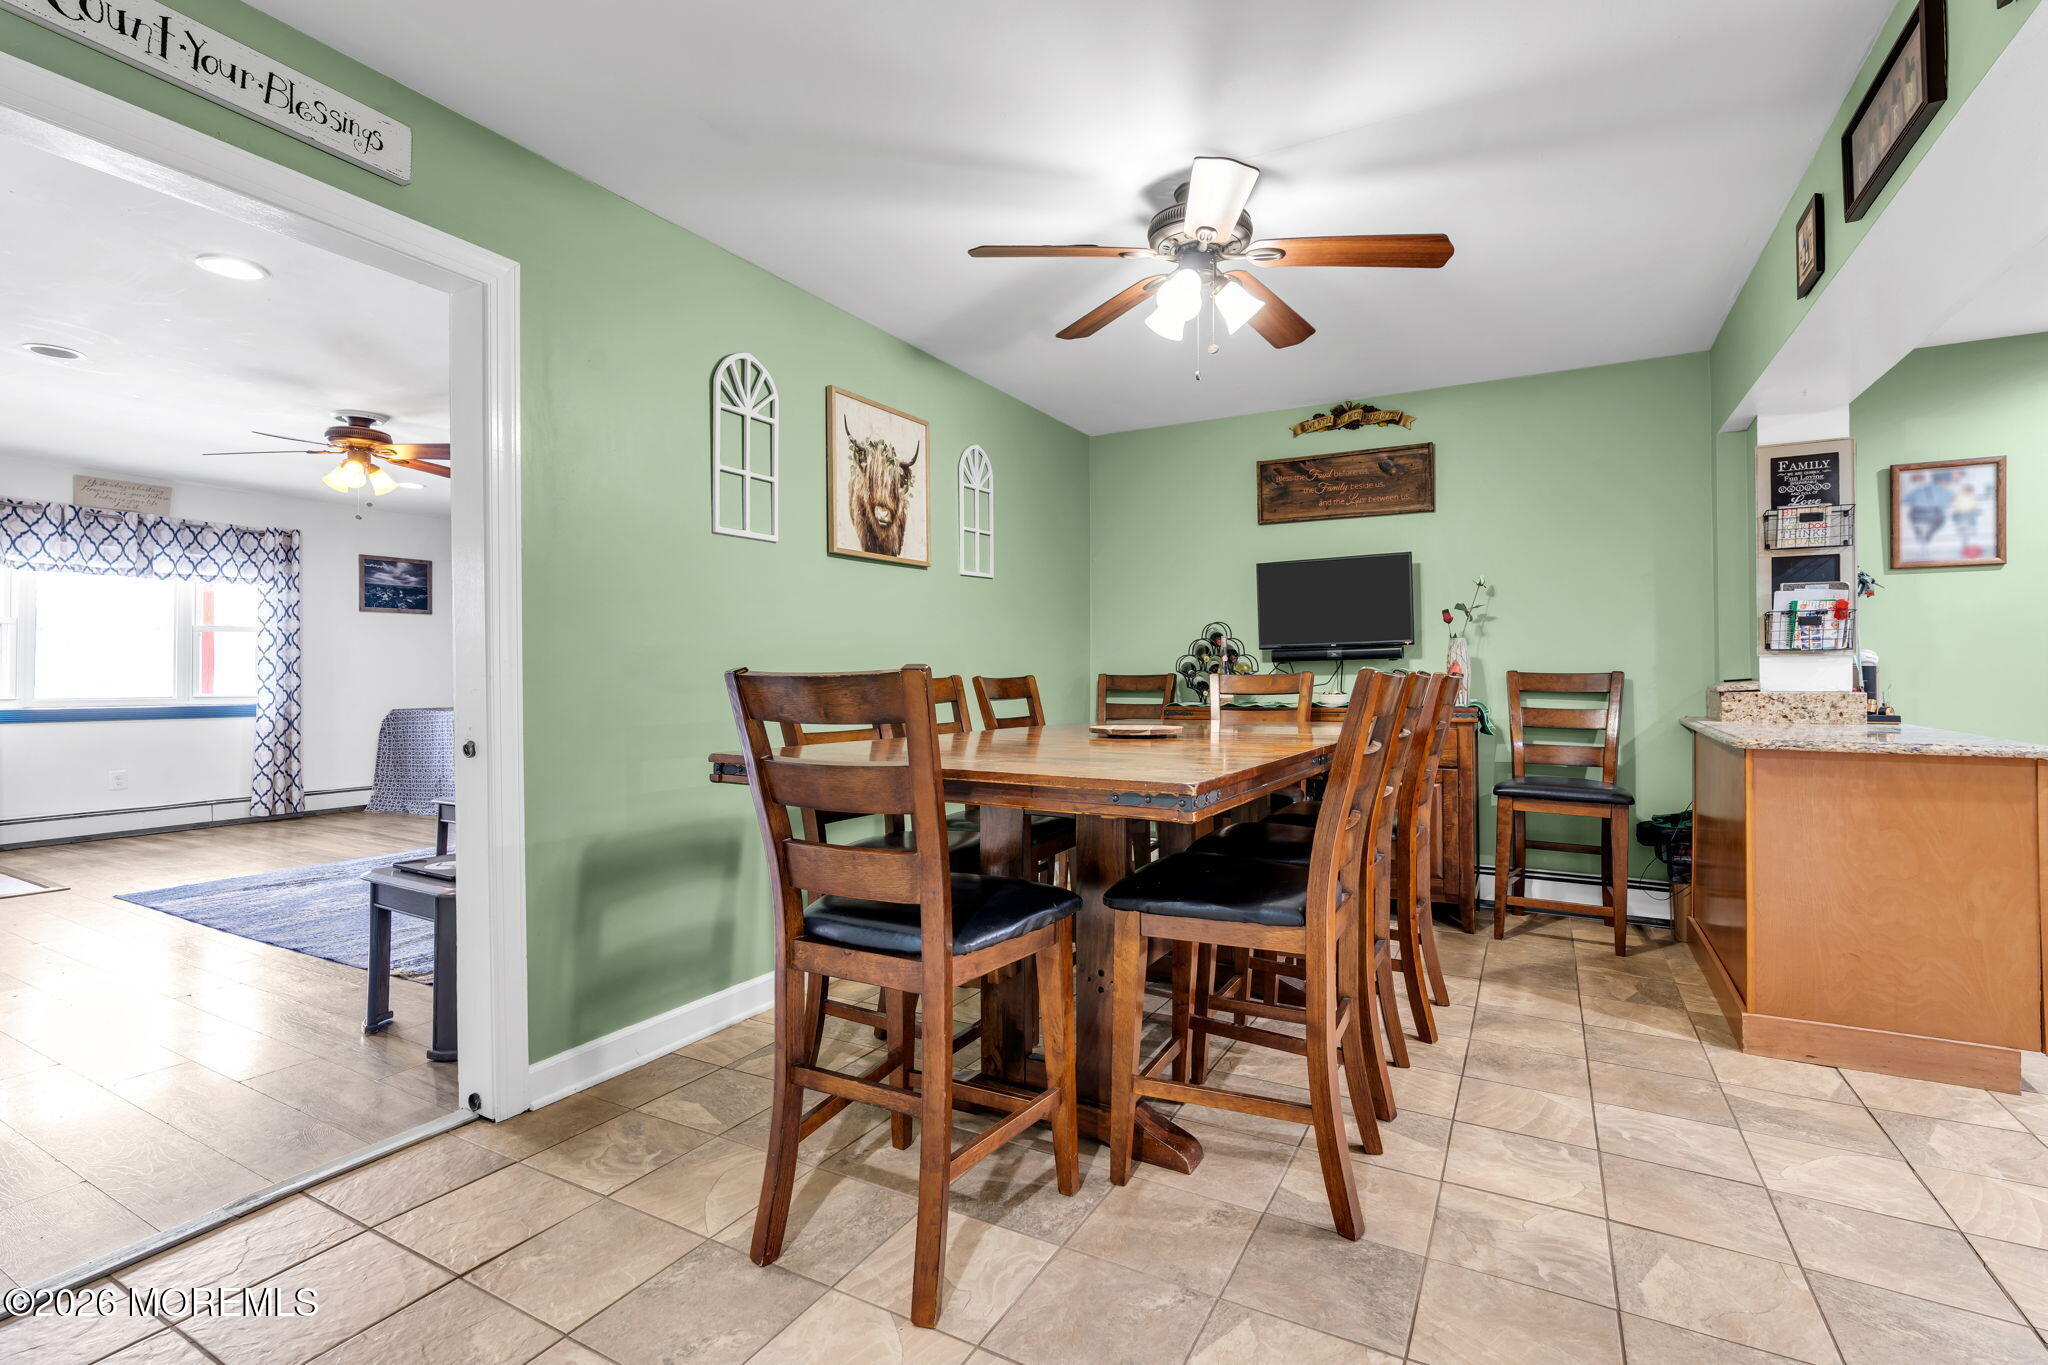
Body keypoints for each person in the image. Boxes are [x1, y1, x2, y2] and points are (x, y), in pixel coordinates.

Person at [1902, 474, 1951, 546]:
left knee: (1912, 517)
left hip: (1916, 515)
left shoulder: (1919, 488)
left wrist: (1917, 502)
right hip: (1931, 517)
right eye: (1946, 483)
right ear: (1942, 482)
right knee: (1942, 519)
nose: (1947, 485)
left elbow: (1904, 501)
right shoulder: (1944, 492)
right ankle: (1929, 533)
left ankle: (1917, 530)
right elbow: (1945, 506)